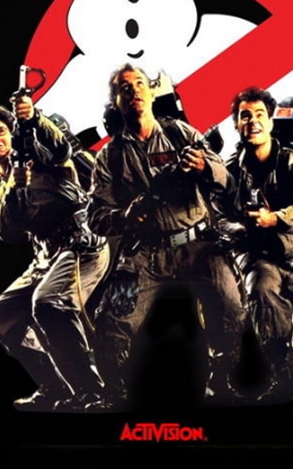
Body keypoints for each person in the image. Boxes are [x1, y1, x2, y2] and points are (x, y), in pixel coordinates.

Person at [89, 63, 244, 407]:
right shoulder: (110, 157)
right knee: (112, 317)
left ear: (151, 91)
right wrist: (124, 216)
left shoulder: (181, 135)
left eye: (140, 84)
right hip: (145, 250)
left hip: (199, 243)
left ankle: (220, 382)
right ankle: (114, 395)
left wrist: (205, 167)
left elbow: (225, 180)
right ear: (116, 101)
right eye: (125, 88)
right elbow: (96, 217)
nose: (134, 92)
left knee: (231, 305)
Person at [0, 100, 113, 413]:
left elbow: (61, 150)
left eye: (1, 130)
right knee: (4, 314)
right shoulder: (4, 188)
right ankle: (54, 387)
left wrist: (34, 117)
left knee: (49, 302)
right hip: (45, 256)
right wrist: (15, 187)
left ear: (14, 135)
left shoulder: (41, 157)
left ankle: (92, 391)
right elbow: (8, 232)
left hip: (82, 244)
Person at [220, 87, 293, 403]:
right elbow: (217, 215)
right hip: (263, 259)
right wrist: (239, 230)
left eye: (259, 115)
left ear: (270, 121)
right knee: (262, 292)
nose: (253, 121)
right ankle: (289, 374)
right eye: (245, 115)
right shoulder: (231, 171)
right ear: (236, 123)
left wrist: (275, 218)